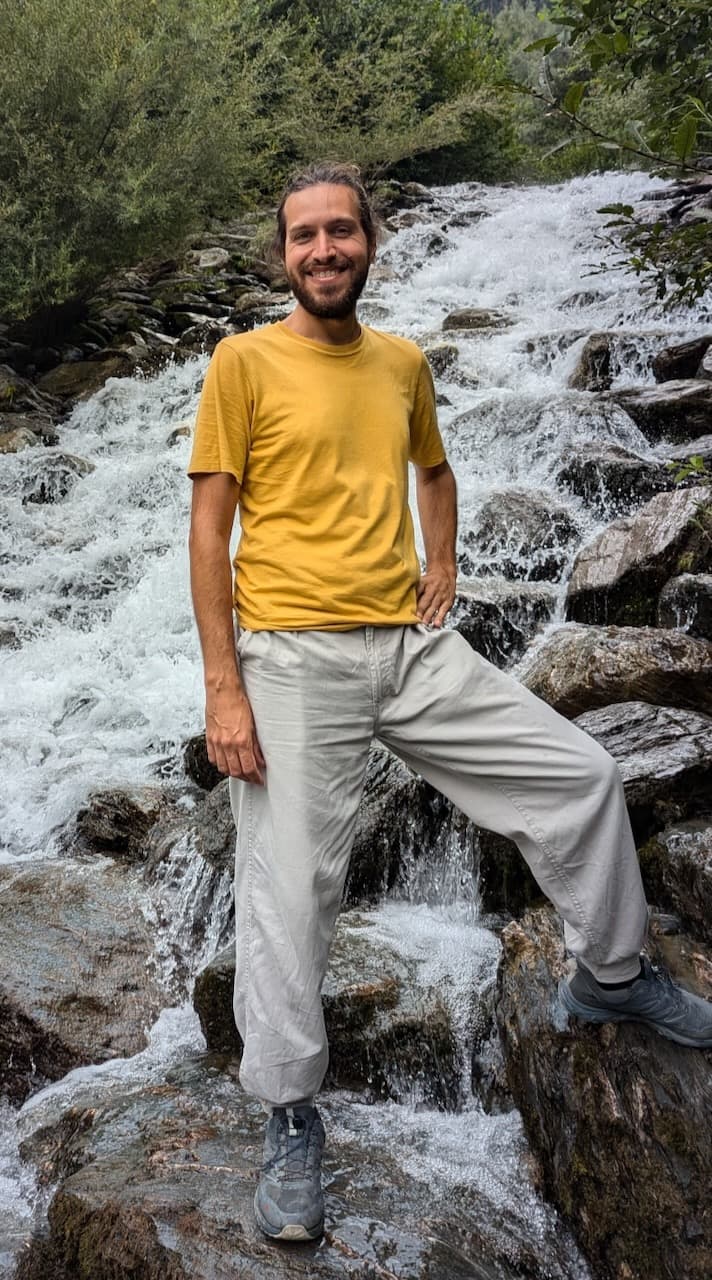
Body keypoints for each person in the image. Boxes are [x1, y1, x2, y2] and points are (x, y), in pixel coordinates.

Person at [188, 162, 712, 1243]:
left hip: (414, 648)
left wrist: (446, 560)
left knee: (582, 774)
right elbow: (208, 531)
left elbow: (434, 467)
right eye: (304, 237)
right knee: (291, 893)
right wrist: (223, 688)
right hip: (290, 658)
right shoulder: (240, 363)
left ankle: (608, 974)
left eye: (341, 230)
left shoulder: (403, 362)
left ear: (370, 241)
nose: (324, 249)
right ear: (282, 255)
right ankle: (290, 1112)